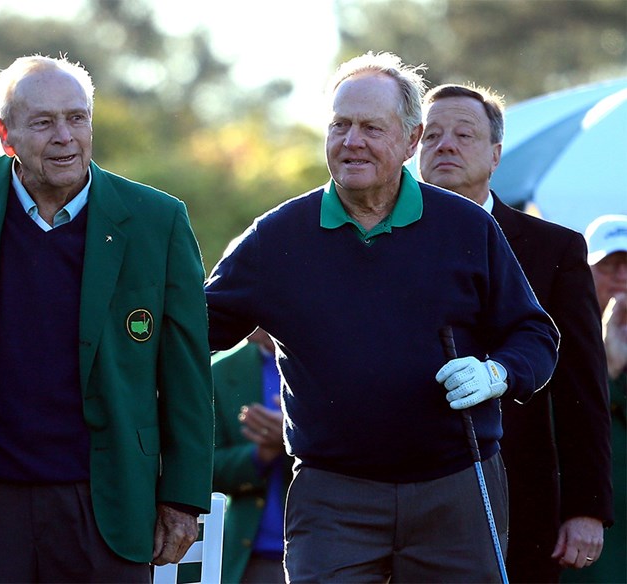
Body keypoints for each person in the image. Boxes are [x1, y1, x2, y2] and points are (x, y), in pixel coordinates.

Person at [204, 51, 560, 582]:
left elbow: (534, 333)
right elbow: (194, 330)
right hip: (332, 495)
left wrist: (496, 373)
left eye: (372, 127)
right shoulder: (277, 236)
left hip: (456, 486)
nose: (352, 142)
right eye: (340, 125)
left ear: (411, 140)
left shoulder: (466, 228)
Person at [0, 55, 214, 583]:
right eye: (43, 122)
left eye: (77, 118)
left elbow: (187, 372)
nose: (65, 136)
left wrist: (183, 497)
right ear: (5, 135)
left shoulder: (156, 219)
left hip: (108, 501)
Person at [417, 83, 613, 582]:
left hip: (522, 496)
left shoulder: (555, 250)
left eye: (464, 134)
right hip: (405, 494)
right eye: (432, 135)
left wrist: (586, 507)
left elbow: (582, 385)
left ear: (496, 154)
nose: (445, 145)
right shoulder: (378, 242)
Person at [563, 214, 627, 582]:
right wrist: (608, 370)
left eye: (626, 267)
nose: (620, 278)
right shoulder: (559, 333)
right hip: (588, 525)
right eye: (609, 267)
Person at [211, 327, 288, 584]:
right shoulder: (220, 371)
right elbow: (207, 468)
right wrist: (261, 454)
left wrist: (292, 440)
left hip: (327, 551)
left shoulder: (331, 364)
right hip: (252, 558)